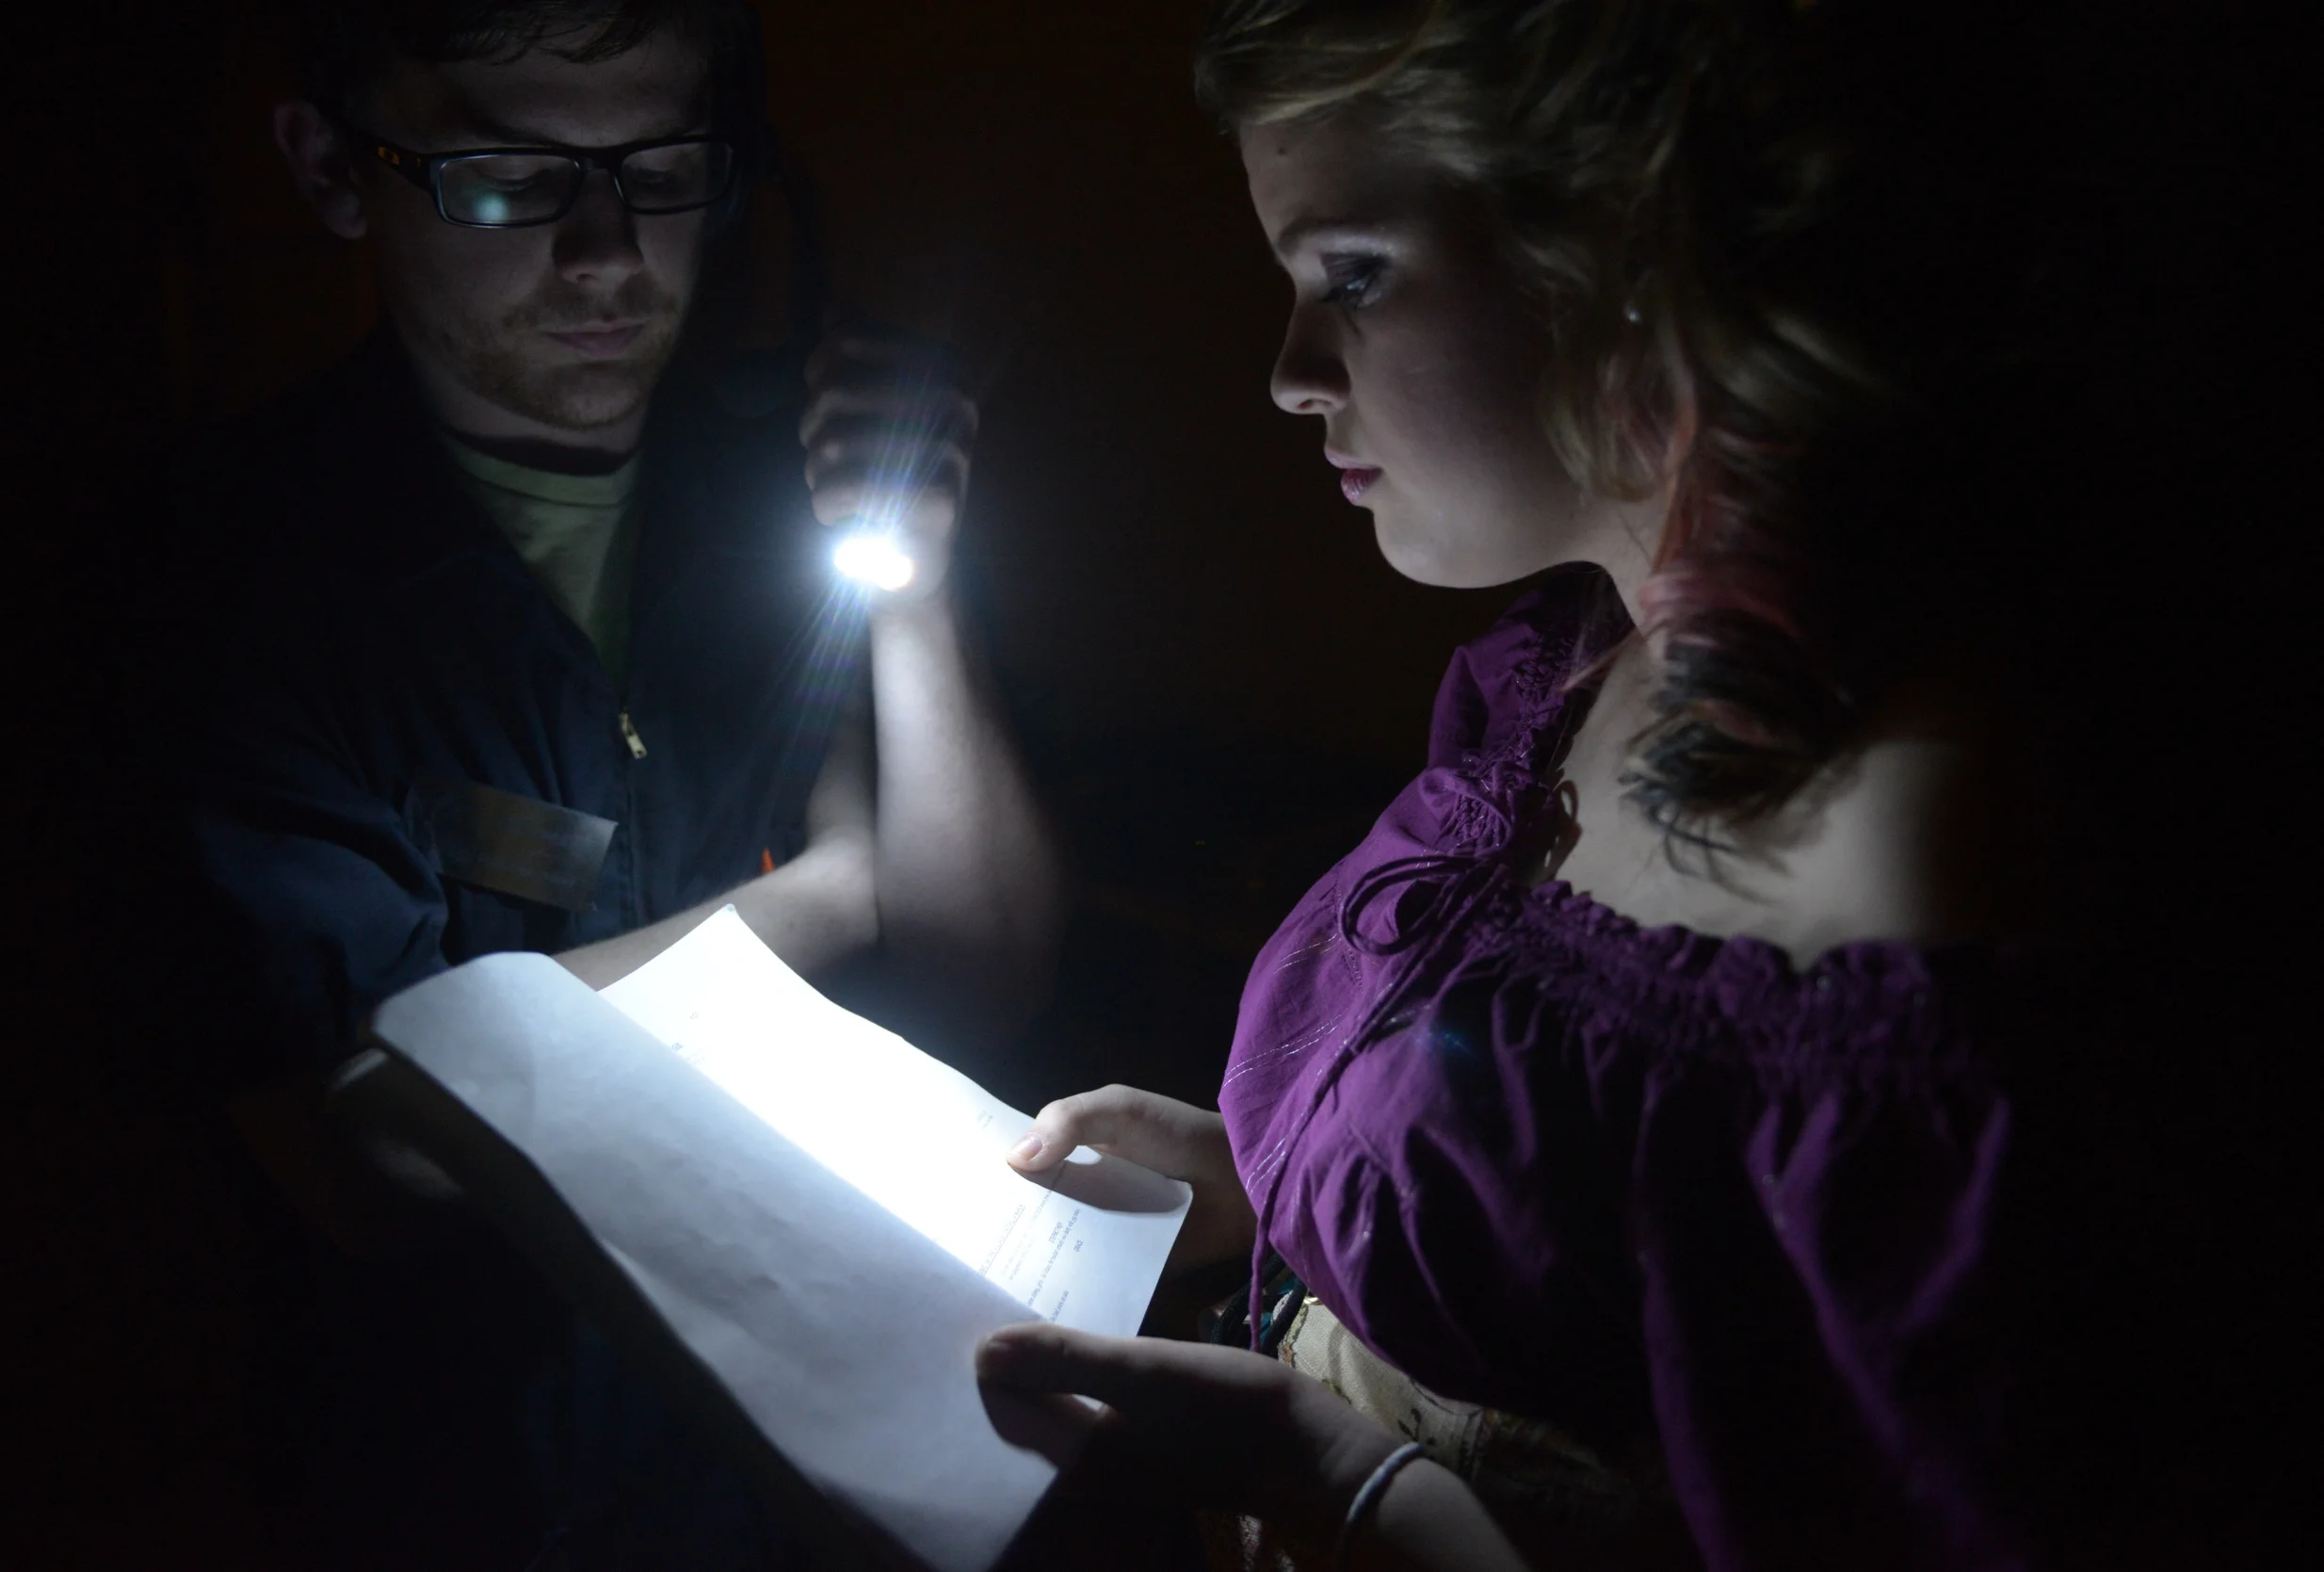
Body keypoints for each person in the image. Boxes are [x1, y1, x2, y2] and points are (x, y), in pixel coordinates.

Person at [976, 2, 2277, 1568]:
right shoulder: (1580, 660)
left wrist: (1366, 1497)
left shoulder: (1921, 881)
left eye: (1357, 277)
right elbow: (1580, 1268)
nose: (1291, 373)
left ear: (1636, 258)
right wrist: (1275, 1197)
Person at [140, 0, 1058, 1563]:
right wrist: (830, 894)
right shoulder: (232, 573)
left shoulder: (773, 502)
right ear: (329, 167)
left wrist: (916, 589)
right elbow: (368, 1152)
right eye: (505, 176)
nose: (604, 252)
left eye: (663, 168)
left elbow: (988, 975)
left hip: (821, 1462)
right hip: (463, 1484)